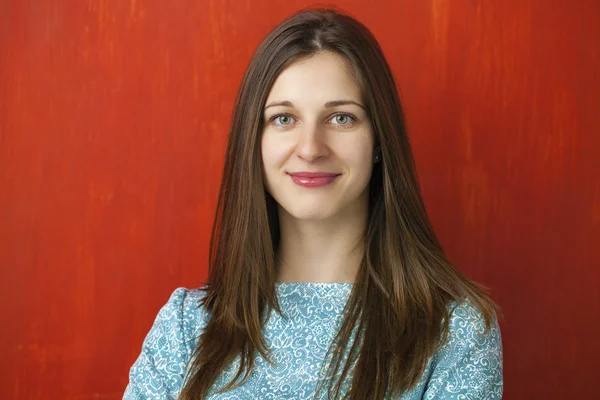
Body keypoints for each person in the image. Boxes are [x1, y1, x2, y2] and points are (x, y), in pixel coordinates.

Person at [124, 7, 503, 400]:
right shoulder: (186, 328)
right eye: (284, 119)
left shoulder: (453, 332)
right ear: (253, 141)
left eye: (341, 118)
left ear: (379, 141)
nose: (310, 148)